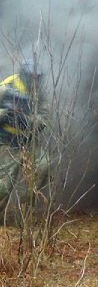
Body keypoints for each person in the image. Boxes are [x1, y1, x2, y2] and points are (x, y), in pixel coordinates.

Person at [0, 58, 49, 216]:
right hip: (7, 140)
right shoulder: (6, 88)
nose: (35, 81)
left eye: (38, 78)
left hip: (28, 141)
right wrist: (6, 115)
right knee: (4, 184)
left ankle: (25, 212)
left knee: (43, 166)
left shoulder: (39, 94)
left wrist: (27, 120)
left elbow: (45, 118)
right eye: (32, 77)